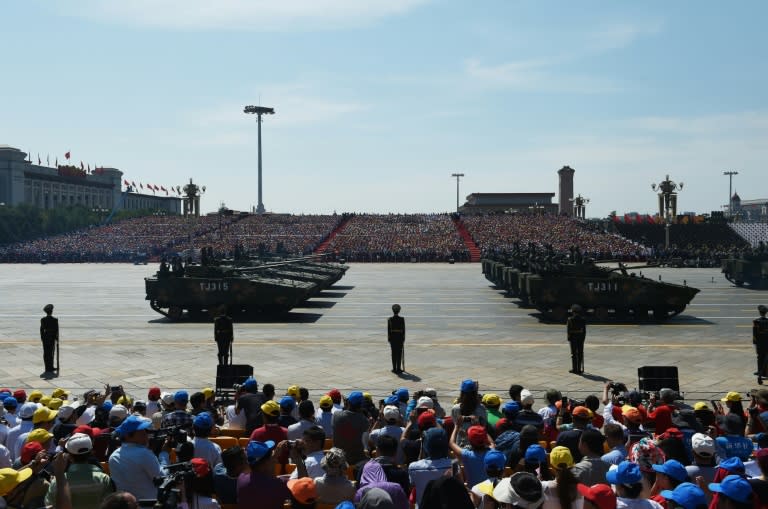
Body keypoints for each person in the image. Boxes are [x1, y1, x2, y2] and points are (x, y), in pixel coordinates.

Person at [567, 304, 586, 374]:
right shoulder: (583, 320)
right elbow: (584, 331)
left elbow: (568, 331)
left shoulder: (570, 319)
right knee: (580, 353)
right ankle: (579, 369)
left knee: (574, 354)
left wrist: (569, 338)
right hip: (580, 338)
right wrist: (583, 339)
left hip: (573, 338)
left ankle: (574, 369)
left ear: (573, 312)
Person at [40, 303, 59, 373]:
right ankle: (51, 367)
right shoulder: (55, 320)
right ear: (52, 311)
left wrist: (42, 338)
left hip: (45, 337)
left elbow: (41, 329)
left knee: (46, 353)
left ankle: (47, 367)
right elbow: (57, 330)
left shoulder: (43, 319)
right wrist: (57, 338)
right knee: (51, 352)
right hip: (52, 337)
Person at [388, 304, 406, 373]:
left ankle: (394, 368)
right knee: (399, 353)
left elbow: (389, 330)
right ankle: (398, 368)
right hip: (400, 338)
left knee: (393, 353)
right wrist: (403, 338)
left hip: (393, 338)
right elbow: (403, 330)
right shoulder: (402, 319)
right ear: (399, 311)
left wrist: (389, 339)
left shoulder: (390, 319)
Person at [755, 305, 768, 379]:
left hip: (760, 344)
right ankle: (765, 371)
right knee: (766, 357)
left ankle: (760, 371)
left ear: (760, 313)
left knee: (760, 358)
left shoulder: (756, 321)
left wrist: (755, 343)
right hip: (767, 343)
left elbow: (755, 335)